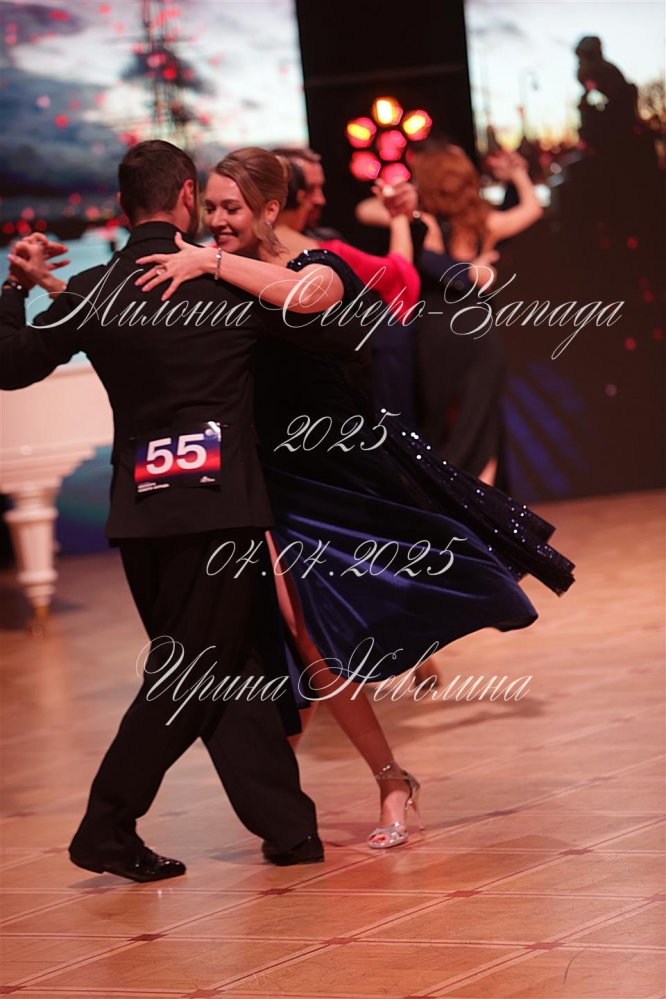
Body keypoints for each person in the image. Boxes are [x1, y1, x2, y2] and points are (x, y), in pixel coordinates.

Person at [127, 148, 575, 851]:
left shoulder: (314, 262)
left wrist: (208, 261)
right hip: (262, 480)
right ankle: (306, 803)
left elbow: (308, 298)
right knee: (289, 638)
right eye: (209, 207)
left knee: (312, 634)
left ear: (271, 209)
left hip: (341, 475)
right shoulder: (210, 273)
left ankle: (379, 782)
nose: (216, 220)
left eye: (231, 208)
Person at [0, 140, 362, 879]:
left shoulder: (98, 288)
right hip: (220, 511)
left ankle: (289, 828)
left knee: (229, 661)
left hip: (142, 517)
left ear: (123, 204)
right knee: (197, 669)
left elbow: (10, 365)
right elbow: (335, 327)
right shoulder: (220, 284)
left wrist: (15, 287)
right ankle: (107, 824)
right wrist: (233, 265)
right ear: (188, 196)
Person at [357, 143, 543, 488]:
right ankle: (476, 505)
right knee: (479, 426)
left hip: (434, 330)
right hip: (477, 333)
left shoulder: (421, 222)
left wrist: (398, 201)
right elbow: (532, 208)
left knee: (444, 424)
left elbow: (365, 210)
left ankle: (446, 500)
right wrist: (518, 174)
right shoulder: (483, 223)